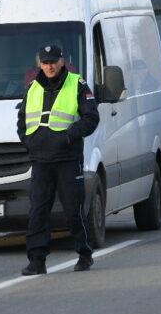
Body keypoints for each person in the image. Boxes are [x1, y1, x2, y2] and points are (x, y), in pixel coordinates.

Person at [16, 45, 100, 275]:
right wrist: (28, 141)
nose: (49, 66)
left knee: (73, 210)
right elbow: (22, 119)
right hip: (40, 160)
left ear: (62, 62)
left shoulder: (77, 84)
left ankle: (84, 254)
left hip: (67, 159)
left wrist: (69, 136)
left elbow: (91, 118)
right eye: (45, 62)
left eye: (53, 61)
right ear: (40, 64)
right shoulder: (33, 87)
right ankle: (37, 261)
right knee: (38, 212)